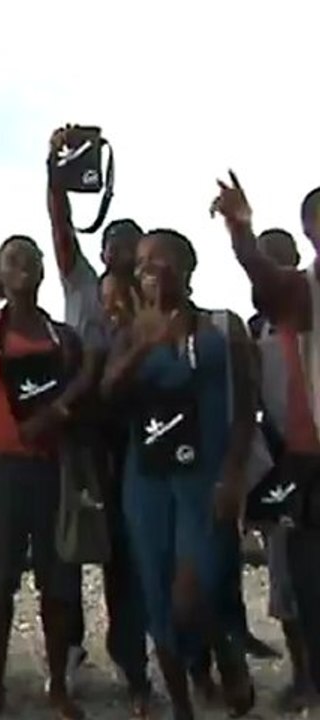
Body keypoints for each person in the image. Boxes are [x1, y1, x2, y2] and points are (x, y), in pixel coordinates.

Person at [101, 228, 256, 719]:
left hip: (202, 478)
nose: (149, 269)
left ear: (187, 269)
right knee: (157, 601)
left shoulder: (220, 327)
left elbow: (244, 406)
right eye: (143, 261)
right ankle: (183, 707)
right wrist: (144, 345)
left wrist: (233, 475)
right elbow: (108, 397)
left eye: (161, 259)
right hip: (146, 482)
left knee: (192, 593)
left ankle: (226, 651)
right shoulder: (131, 333)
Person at [0, 235, 95, 719]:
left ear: (41, 272)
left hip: (51, 471)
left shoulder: (64, 338)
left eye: (32, 260)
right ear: (0, 273)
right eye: (13, 260)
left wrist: (57, 412)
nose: (24, 268)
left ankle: (58, 685)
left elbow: (82, 403)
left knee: (59, 584)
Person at [46, 125, 148, 703]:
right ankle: (72, 650)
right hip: (81, 432)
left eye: (129, 247)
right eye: (112, 243)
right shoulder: (81, 284)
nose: (119, 253)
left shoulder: (151, 298)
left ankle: (132, 661)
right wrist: (53, 167)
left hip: (131, 435)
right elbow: (60, 224)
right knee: (73, 539)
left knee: (125, 554)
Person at [212, 173, 320, 702]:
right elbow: (264, 275)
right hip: (299, 465)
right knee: (299, 585)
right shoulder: (293, 300)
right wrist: (241, 233)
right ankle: (308, 678)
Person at [244, 227, 316, 712]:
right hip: (280, 459)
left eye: (283, 261)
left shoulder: (312, 316)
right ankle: (303, 675)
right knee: (288, 579)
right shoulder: (253, 331)